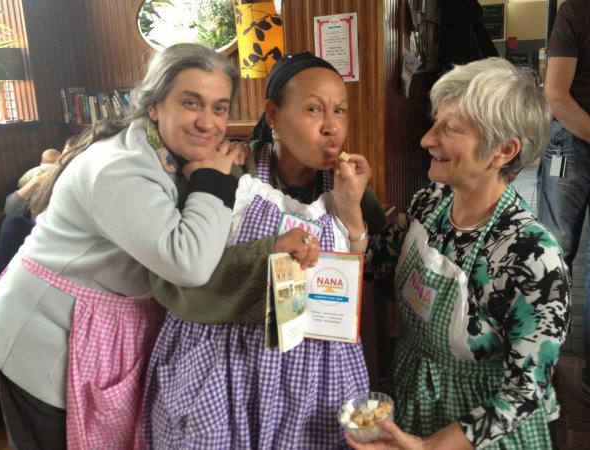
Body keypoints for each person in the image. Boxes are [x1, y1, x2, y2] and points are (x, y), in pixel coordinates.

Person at [0, 43, 243, 450]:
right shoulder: (120, 169)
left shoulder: (165, 155)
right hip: (43, 337)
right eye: (191, 102)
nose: (207, 121)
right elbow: (190, 264)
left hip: (95, 328)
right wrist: (214, 181)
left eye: (220, 108)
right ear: (155, 105)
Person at [142, 51, 387, 449]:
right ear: (273, 115)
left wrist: (352, 214)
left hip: (317, 372)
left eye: (340, 111)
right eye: (313, 109)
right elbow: (176, 278)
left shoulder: (351, 188)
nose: (331, 127)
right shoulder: (227, 172)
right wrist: (269, 253)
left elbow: (367, 276)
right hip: (227, 365)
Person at [344, 58, 570, 450]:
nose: (426, 139)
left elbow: (525, 391)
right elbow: (378, 268)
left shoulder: (533, 257)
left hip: (477, 429)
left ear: (504, 150)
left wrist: (430, 446)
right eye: (435, 123)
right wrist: (352, 208)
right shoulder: (431, 201)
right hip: (411, 392)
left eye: (449, 128)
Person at [536, 0, 590, 405]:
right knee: (554, 252)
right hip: (572, 137)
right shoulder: (578, 9)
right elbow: (555, 95)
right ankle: (538, 359)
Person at [0, 148, 63, 275]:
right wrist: (35, 182)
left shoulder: (69, 179)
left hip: (58, 227)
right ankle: (4, 278)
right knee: (11, 221)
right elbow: (10, 210)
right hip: (35, 225)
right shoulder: (36, 178)